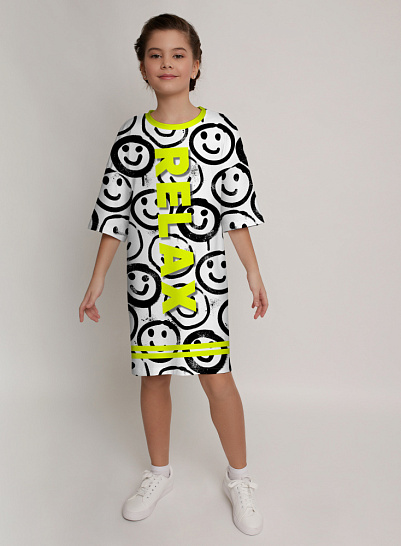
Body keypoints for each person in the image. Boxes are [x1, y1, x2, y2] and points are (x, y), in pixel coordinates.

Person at [79, 13, 269, 536]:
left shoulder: (219, 131)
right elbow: (114, 213)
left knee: (217, 378)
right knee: (153, 376)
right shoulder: (130, 136)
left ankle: (240, 479)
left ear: (196, 64)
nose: (167, 63)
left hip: (203, 281)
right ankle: (158, 473)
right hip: (148, 280)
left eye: (178, 54)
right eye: (155, 55)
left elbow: (236, 210)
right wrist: (97, 278)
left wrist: (253, 272)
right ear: (142, 66)